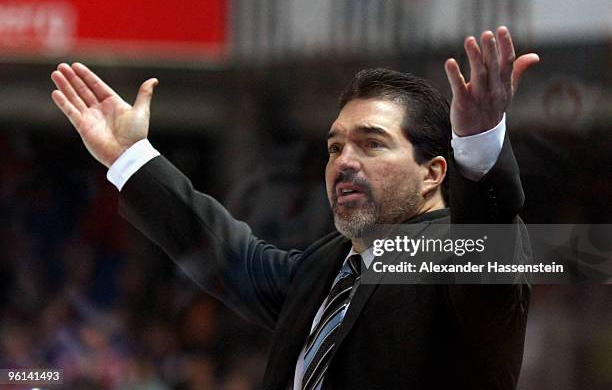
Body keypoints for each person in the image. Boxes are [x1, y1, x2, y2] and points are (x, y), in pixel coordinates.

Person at [51, 26, 539, 389]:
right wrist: (130, 158)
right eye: (334, 148)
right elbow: (227, 255)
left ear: (433, 172)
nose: (344, 162)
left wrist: (478, 147)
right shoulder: (326, 267)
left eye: (371, 144)